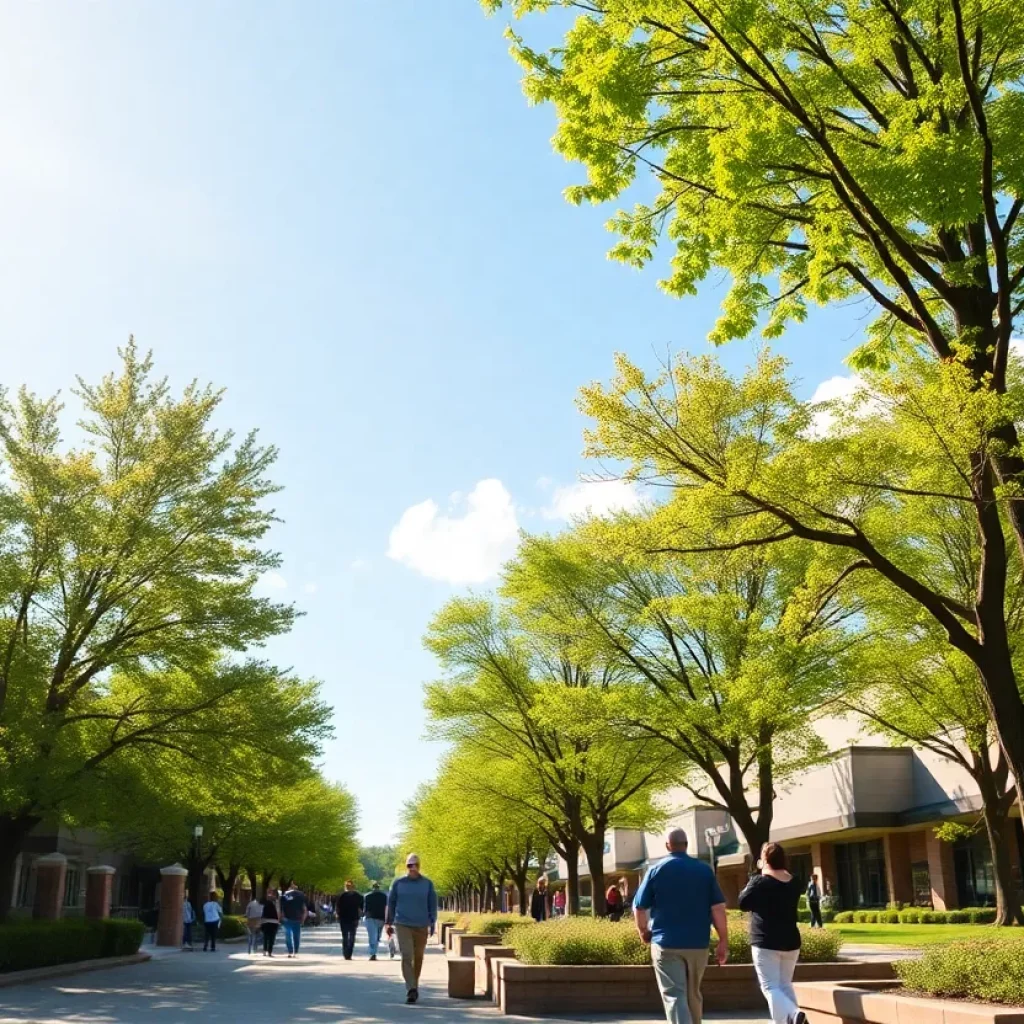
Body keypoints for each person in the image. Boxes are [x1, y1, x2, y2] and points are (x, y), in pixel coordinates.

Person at [634, 828, 728, 1024]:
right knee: (693, 994)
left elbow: (639, 907)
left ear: (668, 846)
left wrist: (643, 931)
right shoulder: (704, 870)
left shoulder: (656, 870)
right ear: (686, 845)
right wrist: (723, 941)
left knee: (675, 995)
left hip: (666, 943)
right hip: (698, 943)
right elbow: (718, 908)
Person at [739, 843, 806, 1024]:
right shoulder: (794, 881)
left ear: (765, 860)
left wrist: (758, 874)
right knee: (784, 985)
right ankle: (791, 1018)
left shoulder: (760, 882)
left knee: (770, 987)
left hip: (766, 941)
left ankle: (793, 1014)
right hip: (791, 941)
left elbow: (743, 902)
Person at [386, 853, 437, 1004]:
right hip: (403, 924)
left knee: (419, 957)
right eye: (409, 865)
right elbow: (391, 903)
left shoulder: (427, 884)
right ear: (406, 866)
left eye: (415, 865)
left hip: (421, 925)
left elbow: (432, 904)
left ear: (419, 866)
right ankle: (411, 988)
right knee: (407, 955)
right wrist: (388, 923)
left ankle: (415, 984)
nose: (412, 868)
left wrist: (432, 921)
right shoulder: (398, 883)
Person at [335, 879, 364, 960]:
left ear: (346, 887)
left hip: (343, 918)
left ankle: (345, 954)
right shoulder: (358, 896)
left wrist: (337, 915)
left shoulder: (341, 895)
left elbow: (337, 907)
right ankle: (349, 954)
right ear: (353, 886)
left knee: (345, 936)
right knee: (352, 936)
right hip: (353, 918)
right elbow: (362, 908)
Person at [280, 881, 308, 958]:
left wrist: (281, 918)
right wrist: (303, 918)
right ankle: (295, 951)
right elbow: (304, 909)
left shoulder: (284, 895)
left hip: (287, 918)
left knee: (288, 935)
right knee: (296, 935)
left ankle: (290, 951)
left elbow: (281, 909)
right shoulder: (301, 895)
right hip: (297, 918)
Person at [364, 880, 388, 960]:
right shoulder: (384, 896)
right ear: (378, 888)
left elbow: (365, 908)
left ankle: (373, 953)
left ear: (372, 888)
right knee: (377, 936)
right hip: (381, 918)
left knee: (372, 936)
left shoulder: (367, 896)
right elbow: (386, 908)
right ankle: (373, 952)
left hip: (370, 917)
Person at [261, 888, 280, 957]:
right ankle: (269, 952)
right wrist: (279, 920)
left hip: (266, 921)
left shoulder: (263, 901)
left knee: (266, 937)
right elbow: (278, 911)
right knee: (271, 937)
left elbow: (261, 911)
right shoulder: (276, 901)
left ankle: (264, 951)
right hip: (273, 921)